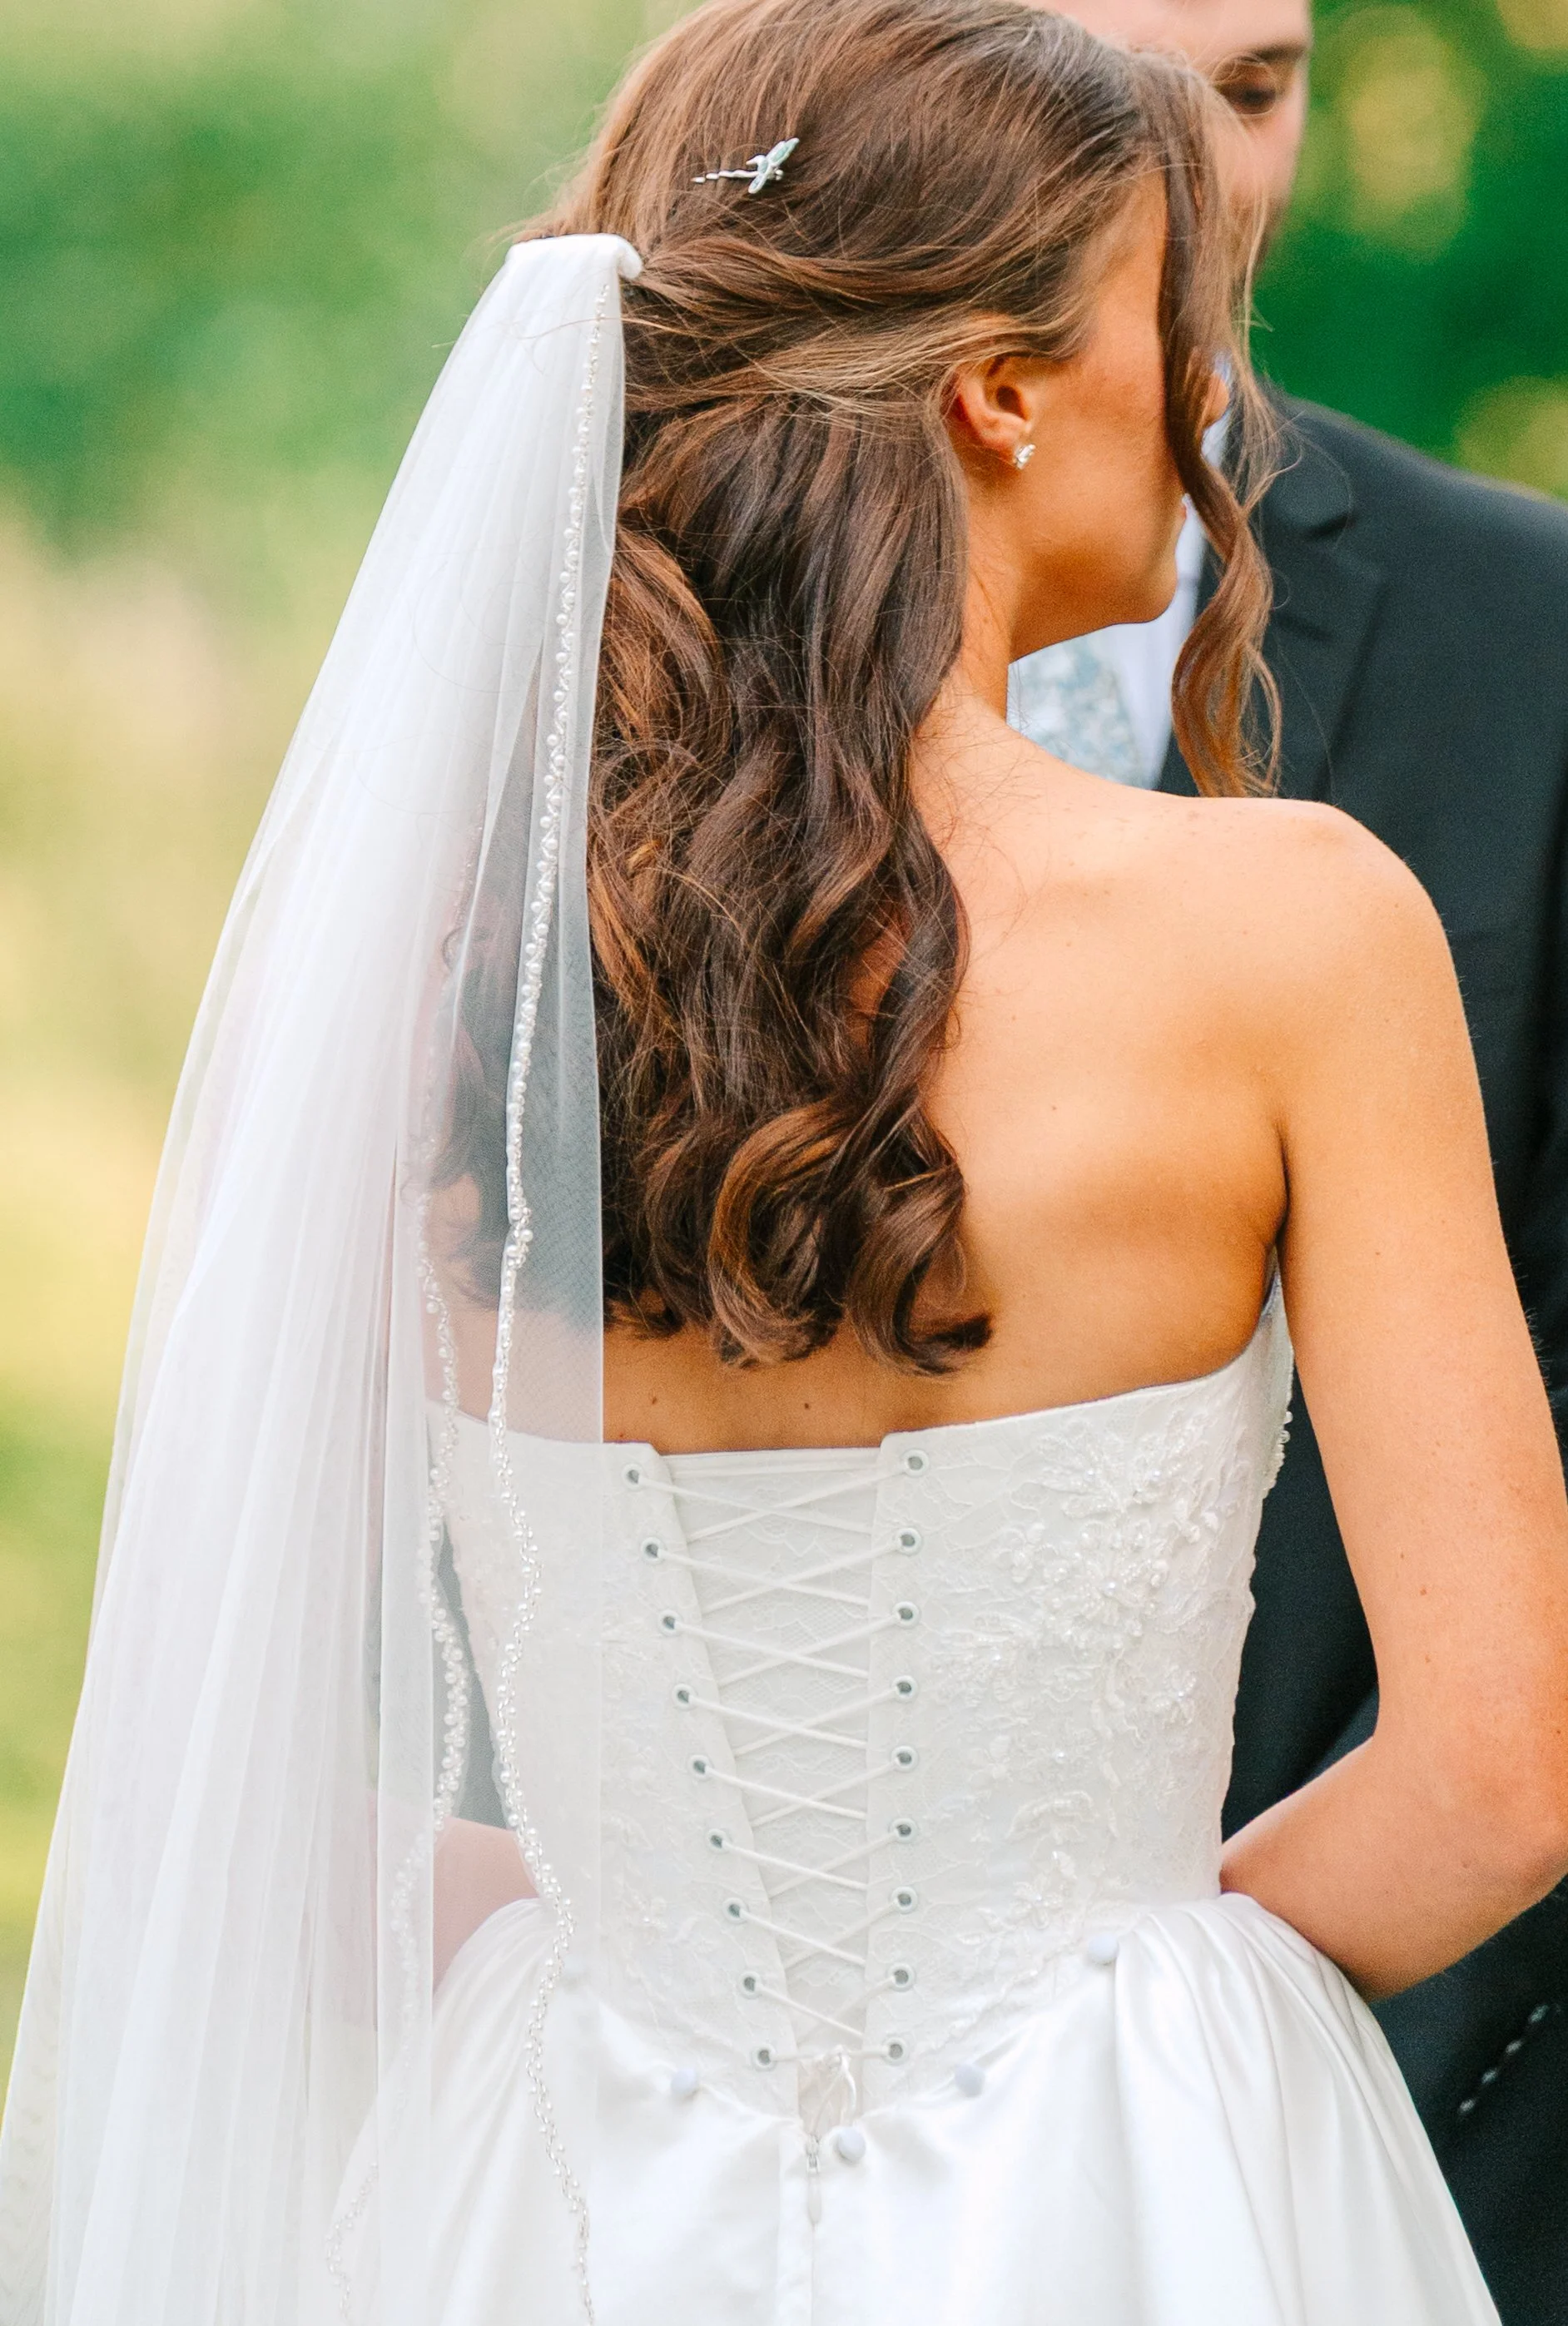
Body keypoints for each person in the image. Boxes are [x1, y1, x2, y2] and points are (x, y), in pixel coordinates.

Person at [2, 2, 1567, 2320]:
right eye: (1175, 322)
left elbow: (248, 1776)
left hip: (558, 2193)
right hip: (1130, 2191)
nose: (1215, 407)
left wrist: (658, 1965)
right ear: (1003, 390)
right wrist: (1118, 2010)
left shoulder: (436, 968)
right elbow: (1497, 1772)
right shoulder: (1288, 931)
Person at [1011, 5, 1568, 2318]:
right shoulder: (581, 678)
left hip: (1425, 2113)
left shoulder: (1522, 628)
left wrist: (1224, 2061)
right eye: (1105, 103)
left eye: (1254, 90)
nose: (1208, 186)